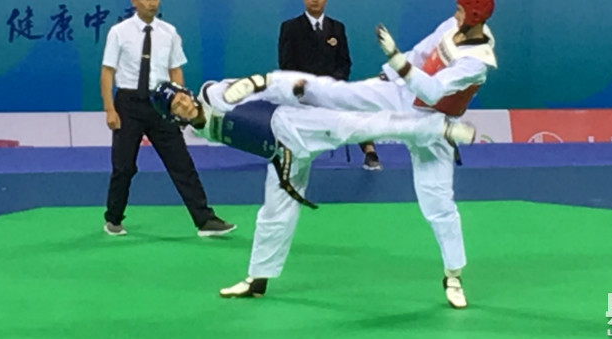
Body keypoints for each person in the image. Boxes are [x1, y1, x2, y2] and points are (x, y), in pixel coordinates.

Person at [224, 0, 498, 309]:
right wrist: (388, 74)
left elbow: (433, 91)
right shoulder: (451, 26)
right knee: (338, 94)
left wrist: (396, 59)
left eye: (461, 10)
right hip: (399, 95)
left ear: (475, 16)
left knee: (438, 206)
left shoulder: (477, 60)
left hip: (432, 118)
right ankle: (266, 83)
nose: (456, 14)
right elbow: (423, 52)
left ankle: (453, 275)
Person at [150, 73, 477, 304]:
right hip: (282, 155)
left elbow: (258, 85)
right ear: (173, 117)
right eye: (176, 106)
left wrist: (284, 89)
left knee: (358, 126)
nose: (183, 104)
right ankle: (257, 279)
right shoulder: (200, 130)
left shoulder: (212, 94)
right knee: (273, 213)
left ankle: (438, 127)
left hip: (293, 122)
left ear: (187, 91)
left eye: (181, 97)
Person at [100, 0, 235, 238]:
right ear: (134, 0)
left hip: (161, 104)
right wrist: (109, 110)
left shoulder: (169, 32)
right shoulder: (119, 32)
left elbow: (175, 70)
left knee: (181, 163)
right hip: (128, 104)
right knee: (124, 167)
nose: (151, 3)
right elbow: (107, 72)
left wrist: (179, 105)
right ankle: (113, 219)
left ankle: (205, 220)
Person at [278, 0, 380, 171]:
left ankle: (370, 152)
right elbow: (286, 63)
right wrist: (305, 86)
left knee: (357, 108)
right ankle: (289, 155)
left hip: (332, 88)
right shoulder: (290, 27)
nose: (315, 0)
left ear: (326, 0)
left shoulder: (337, 28)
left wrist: (334, 83)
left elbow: (344, 62)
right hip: (303, 91)